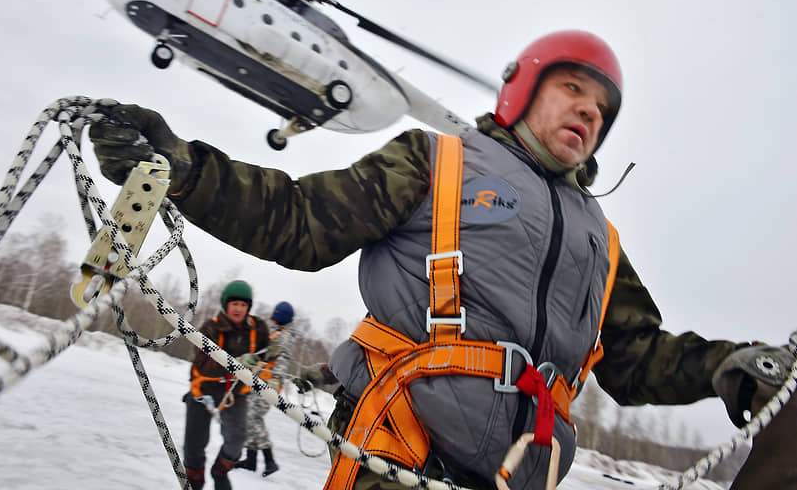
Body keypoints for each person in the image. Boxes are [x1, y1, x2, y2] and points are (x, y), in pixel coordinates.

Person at [89, 29, 795, 490]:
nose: (588, 112)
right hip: (396, 454)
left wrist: (730, 367)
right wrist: (186, 170)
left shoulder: (599, 240)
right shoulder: (436, 161)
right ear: (522, 90)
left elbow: (637, 358)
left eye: (602, 108)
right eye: (571, 89)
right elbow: (299, 222)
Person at [182, 279, 269, 490]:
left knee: (237, 438)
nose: (238, 309)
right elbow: (202, 365)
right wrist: (234, 364)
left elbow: (265, 353)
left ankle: (220, 471)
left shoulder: (258, 329)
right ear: (226, 304)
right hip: (203, 390)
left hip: (235, 393)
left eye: (243, 305)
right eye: (234, 304)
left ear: (248, 307)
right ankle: (195, 481)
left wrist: (263, 361)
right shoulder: (210, 328)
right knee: (194, 445)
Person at [236, 300, 297, 477]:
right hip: (260, 381)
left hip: (268, 384)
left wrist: (276, 379)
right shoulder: (277, 333)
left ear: (280, 317)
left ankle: (269, 460)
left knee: (253, 417)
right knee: (249, 416)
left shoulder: (284, 336)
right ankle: (251, 460)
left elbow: (283, 359)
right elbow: (265, 353)